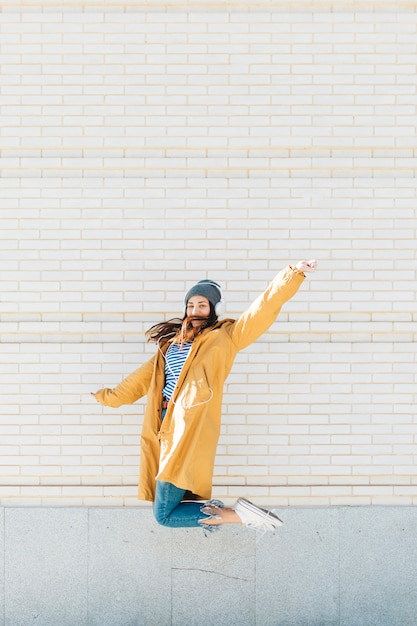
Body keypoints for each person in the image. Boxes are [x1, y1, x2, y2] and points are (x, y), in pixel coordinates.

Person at [92, 260, 317, 535]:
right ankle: (228, 514)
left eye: (202, 305)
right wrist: (107, 397)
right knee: (166, 509)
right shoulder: (171, 344)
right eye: (191, 305)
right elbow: (140, 381)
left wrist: (291, 275)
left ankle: (239, 516)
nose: (195, 310)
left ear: (213, 309)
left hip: (190, 425)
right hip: (162, 425)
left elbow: (262, 310)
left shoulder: (225, 336)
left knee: (163, 515)